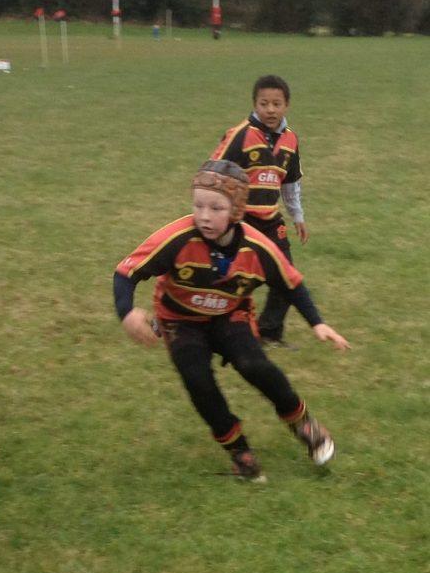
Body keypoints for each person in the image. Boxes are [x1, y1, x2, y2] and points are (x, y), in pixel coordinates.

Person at [113, 160, 350, 481]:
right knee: (197, 379)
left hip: (230, 315)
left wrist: (317, 323)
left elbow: (290, 283)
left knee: (255, 365)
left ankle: (302, 423)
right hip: (179, 319)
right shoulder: (178, 237)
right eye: (198, 205)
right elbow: (127, 272)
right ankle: (239, 450)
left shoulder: (258, 246)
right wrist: (127, 312)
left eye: (216, 207)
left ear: (237, 210)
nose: (204, 216)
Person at [210, 75, 305, 347]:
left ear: (287, 105)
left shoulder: (290, 140)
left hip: (271, 220)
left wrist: (297, 216)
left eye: (277, 103)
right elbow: (213, 170)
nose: (270, 109)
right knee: (233, 278)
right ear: (255, 104)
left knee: (286, 275)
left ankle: (269, 332)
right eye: (264, 103)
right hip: (241, 220)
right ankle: (207, 320)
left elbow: (290, 182)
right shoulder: (240, 134)